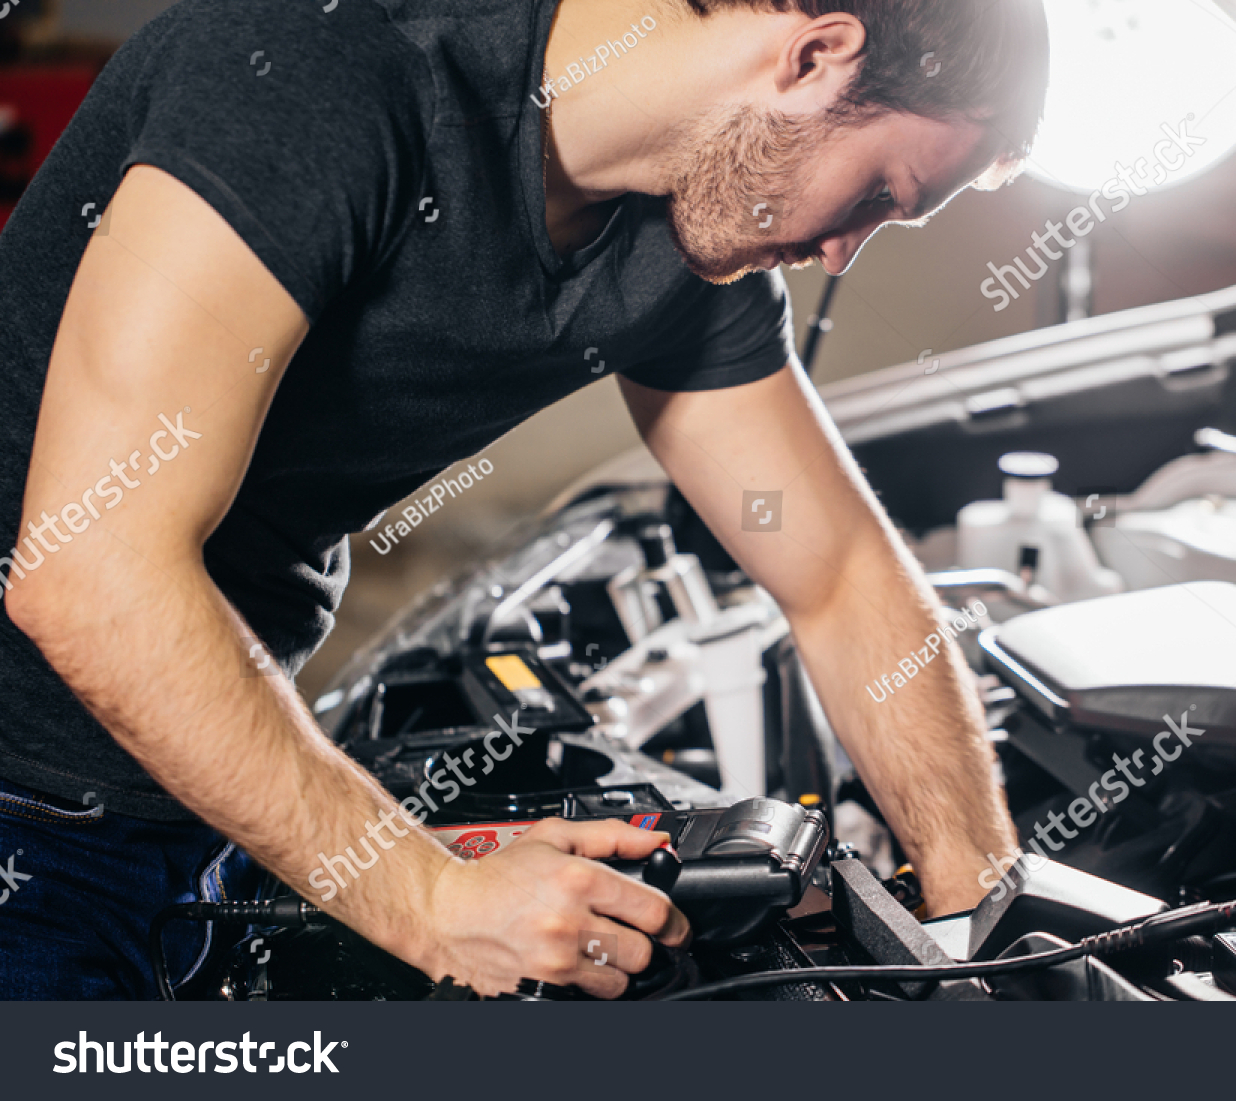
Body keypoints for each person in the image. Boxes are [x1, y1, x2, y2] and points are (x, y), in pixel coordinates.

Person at [0, 0, 1048, 998]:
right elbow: (87, 570)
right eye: (880, 195)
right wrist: (426, 896)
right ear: (816, 55)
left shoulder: (686, 256)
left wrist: (977, 928)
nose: (843, 251)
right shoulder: (320, 72)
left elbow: (840, 577)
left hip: (196, 795)